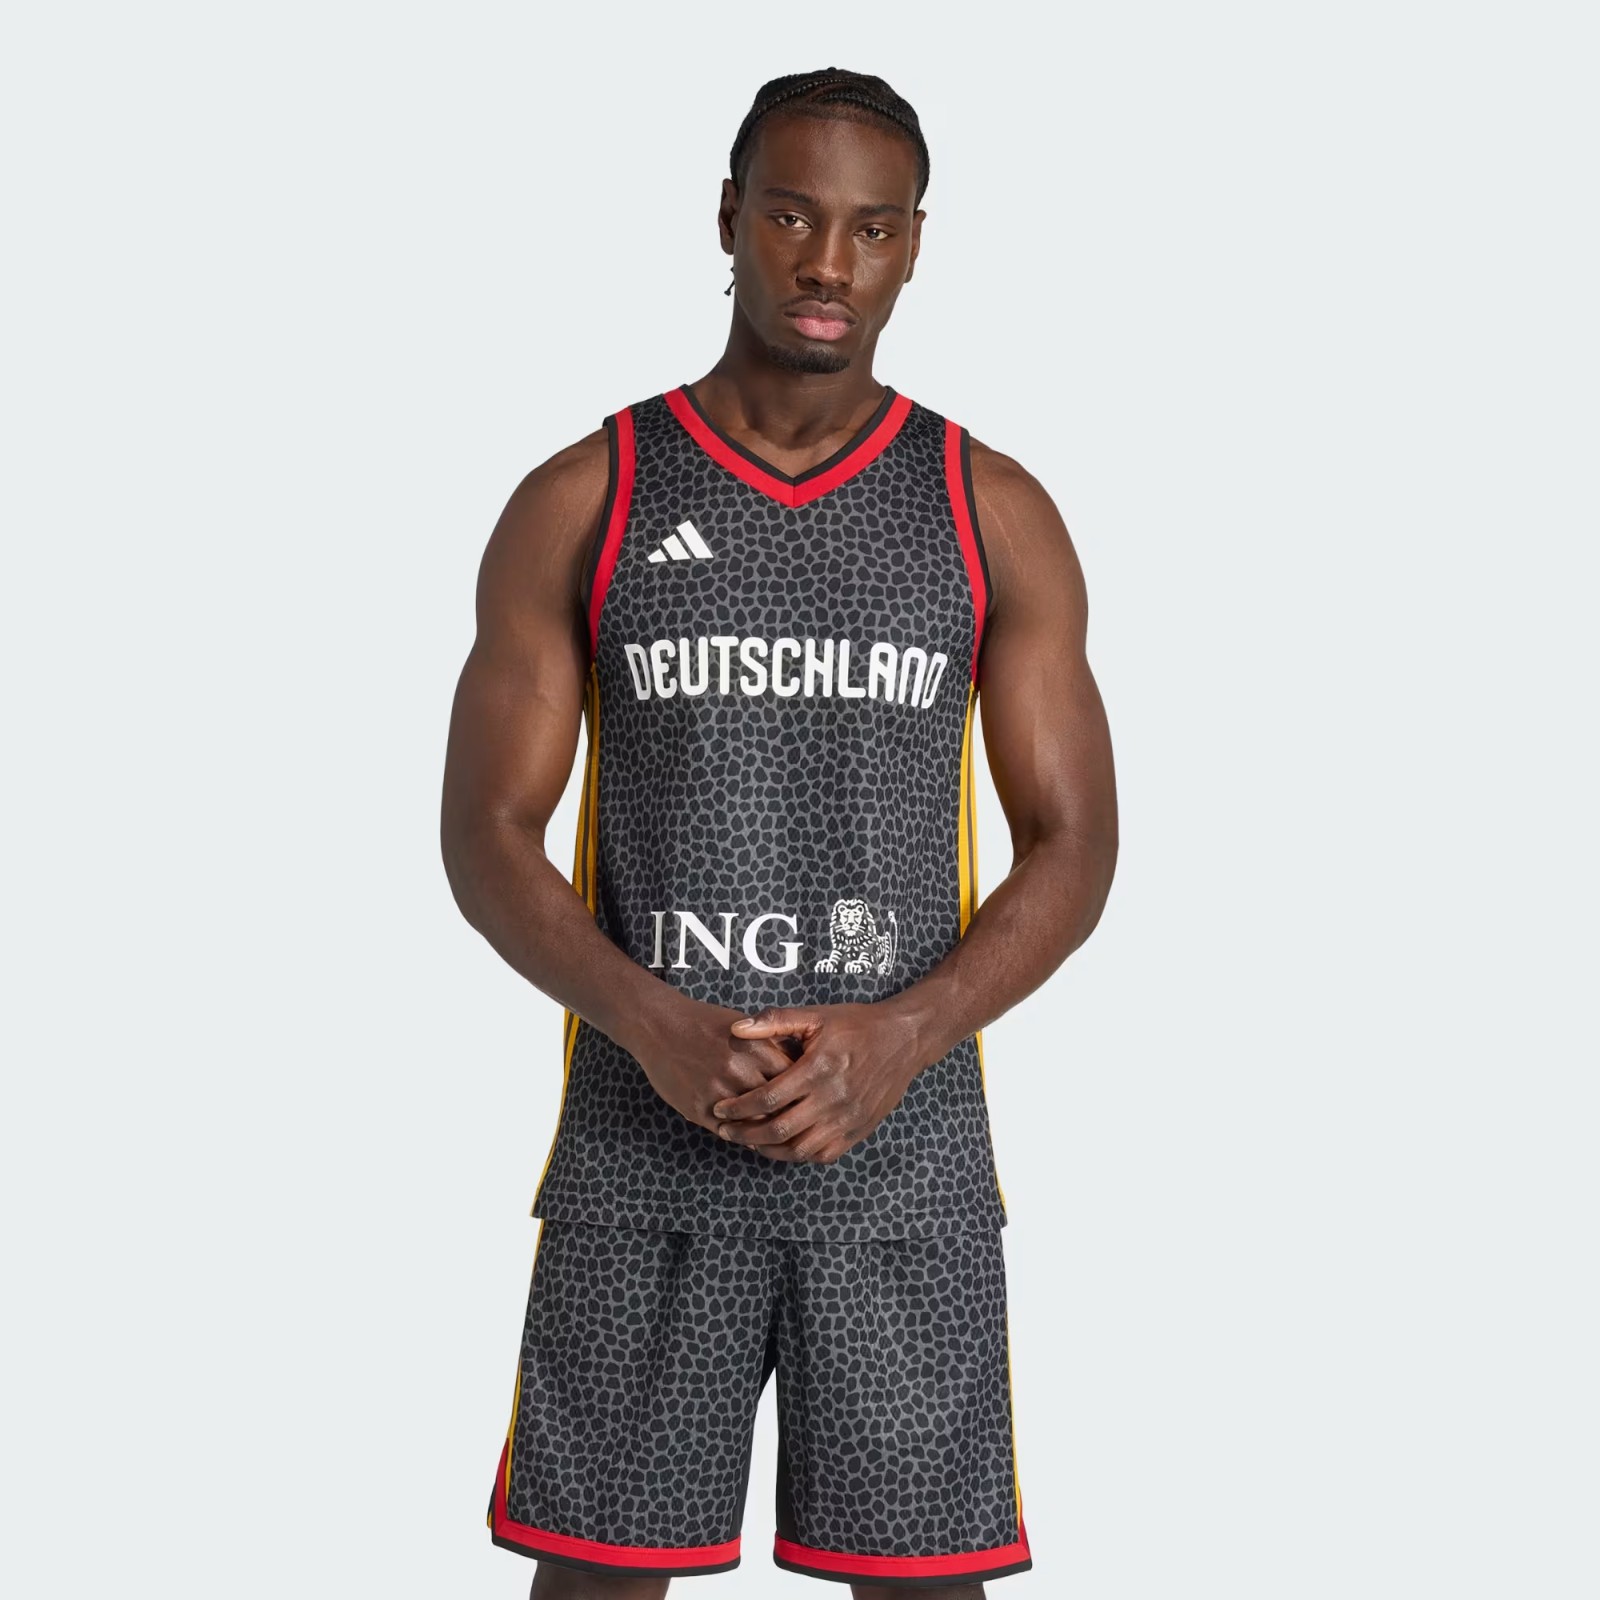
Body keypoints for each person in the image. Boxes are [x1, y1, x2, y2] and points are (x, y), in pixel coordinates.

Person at [440, 67, 1118, 1600]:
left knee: (926, 1585)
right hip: (642, 1149)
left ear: (915, 245)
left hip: (904, 1158)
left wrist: (905, 1035)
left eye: (872, 228)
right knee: (596, 1580)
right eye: (793, 216)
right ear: (728, 218)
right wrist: (651, 1022)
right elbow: (486, 832)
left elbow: (1074, 844)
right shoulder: (589, 496)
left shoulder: (988, 510)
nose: (828, 263)